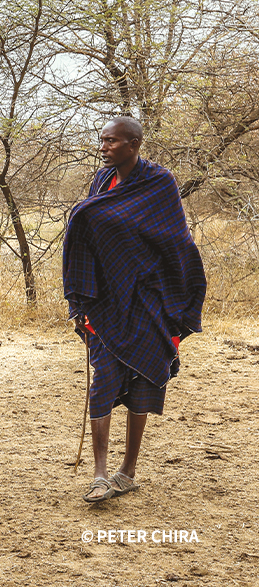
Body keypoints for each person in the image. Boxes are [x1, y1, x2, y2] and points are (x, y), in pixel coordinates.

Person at [62, 116, 206, 503]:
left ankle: (127, 472)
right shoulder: (102, 181)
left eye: (111, 141)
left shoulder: (160, 183)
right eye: (102, 140)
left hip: (147, 300)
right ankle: (99, 475)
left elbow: (176, 241)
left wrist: (175, 297)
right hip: (106, 300)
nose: (104, 147)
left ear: (133, 144)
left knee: (144, 378)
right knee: (104, 380)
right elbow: (88, 234)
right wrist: (82, 298)